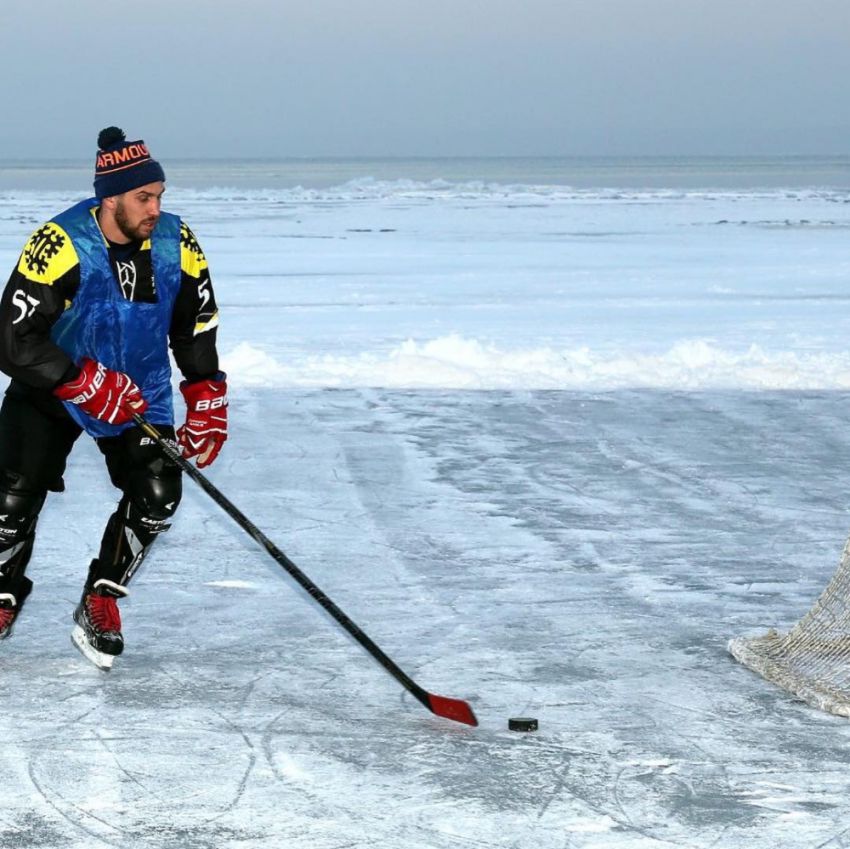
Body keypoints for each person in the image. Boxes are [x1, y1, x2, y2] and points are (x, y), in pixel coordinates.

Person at [0, 127, 227, 669]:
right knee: (8, 501)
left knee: (157, 493)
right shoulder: (59, 244)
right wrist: (79, 379)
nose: (155, 208)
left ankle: (101, 597)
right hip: (55, 387)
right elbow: (10, 339)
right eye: (143, 198)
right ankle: (2, 595)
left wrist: (206, 395)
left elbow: (194, 326)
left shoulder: (178, 243)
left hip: (138, 391)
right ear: (110, 199)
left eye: (159, 197)